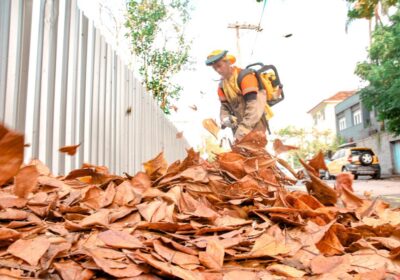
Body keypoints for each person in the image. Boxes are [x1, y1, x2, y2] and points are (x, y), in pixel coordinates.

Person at [205, 50, 268, 141]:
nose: (218, 70)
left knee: (256, 153)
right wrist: (225, 118)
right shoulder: (222, 86)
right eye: (215, 68)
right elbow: (224, 107)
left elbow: (254, 108)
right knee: (238, 153)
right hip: (239, 128)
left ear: (228, 62)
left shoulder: (245, 77)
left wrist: (243, 131)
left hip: (255, 125)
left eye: (219, 66)